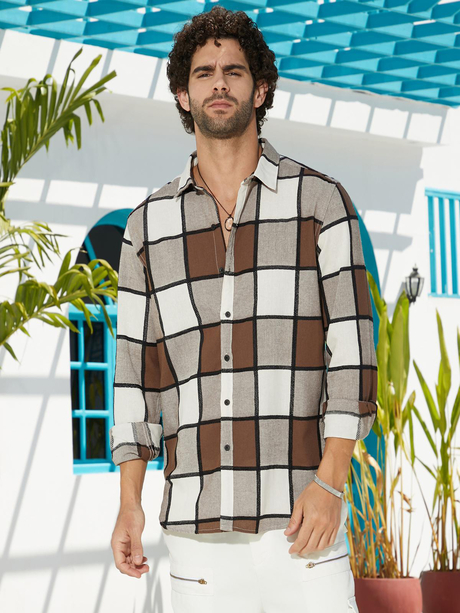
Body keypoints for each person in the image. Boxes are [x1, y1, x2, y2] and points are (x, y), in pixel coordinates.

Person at [109, 5, 378, 612]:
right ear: (183, 96)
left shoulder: (320, 203)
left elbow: (353, 356)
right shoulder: (147, 228)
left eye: (234, 71)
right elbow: (135, 375)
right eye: (203, 74)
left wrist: (331, 481)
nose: (219, 84)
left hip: (303, 526)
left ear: (260, 89)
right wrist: (129, 502)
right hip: (197, 538)